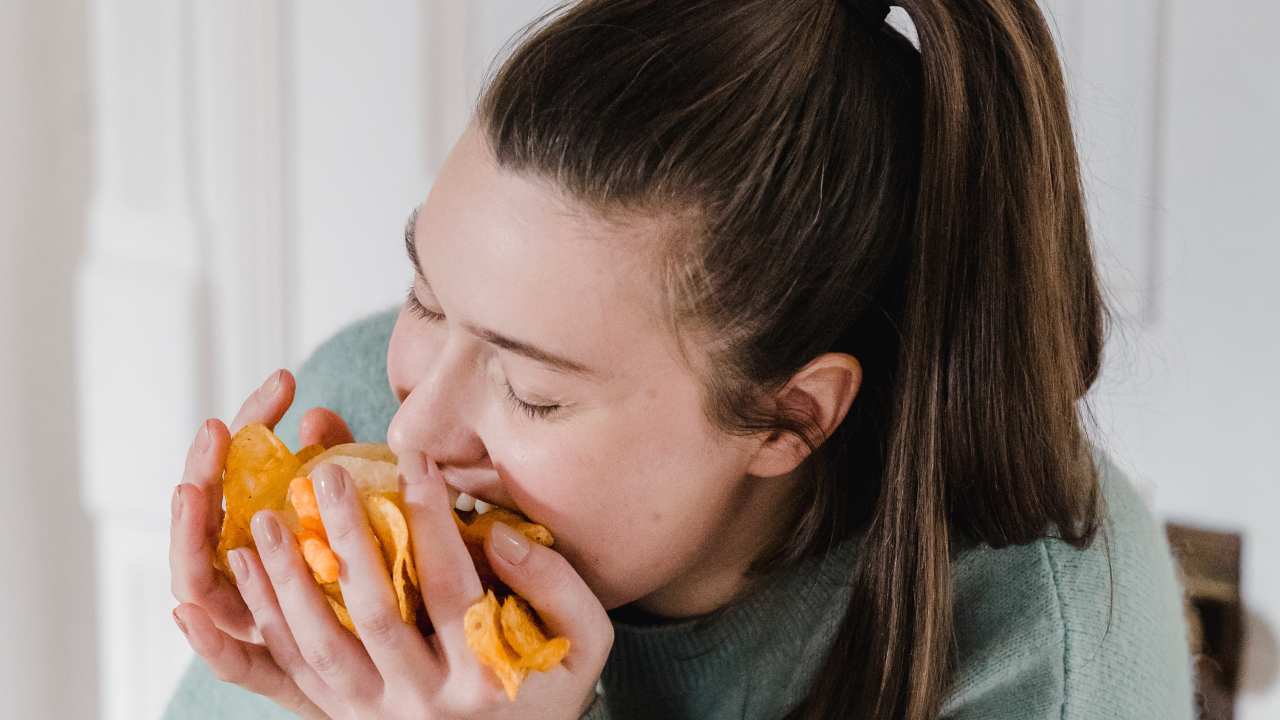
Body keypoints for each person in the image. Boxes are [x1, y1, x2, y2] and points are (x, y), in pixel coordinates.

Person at [164, 0, 1195, 718]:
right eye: (426, 299)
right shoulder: (354, 409)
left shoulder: (1050, 649)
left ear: (788, 417)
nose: (413, 428)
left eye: (532, 394)